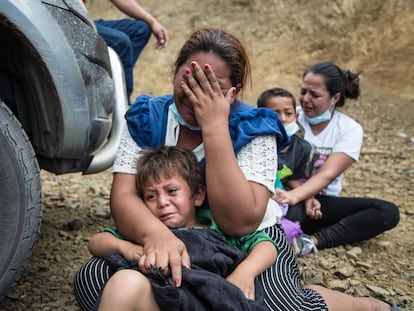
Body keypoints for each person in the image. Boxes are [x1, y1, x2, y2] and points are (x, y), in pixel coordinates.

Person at [73, 28, 401, 311]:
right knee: (95, 282)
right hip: (166, 230)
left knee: (277, 305)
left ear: (233, 92)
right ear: (175, 72)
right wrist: (158, 237)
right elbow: (124, 199)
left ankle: (364, 306)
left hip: (248, 241)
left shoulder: (253, 127)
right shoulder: (148, 117)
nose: (194, 93)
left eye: (210, 85)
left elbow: (240, 222)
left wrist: (215, 125)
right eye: (188, 79)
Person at [89, 145, 277, 310]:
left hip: (215, 301)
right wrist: (130, 249)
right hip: (165, 300)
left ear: (198, 195)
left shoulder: (217, 226)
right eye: (151, 196)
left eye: (172, 191)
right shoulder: (149, 233)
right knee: (124, 282)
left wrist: (246, 272)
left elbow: (266, 247)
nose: (162, 202)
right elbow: (97, 242)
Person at [275, 62, 400, 257]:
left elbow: (327, 175)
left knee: (387, 212)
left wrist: (301, 196)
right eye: (303, 91)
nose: (306, 99)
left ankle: (311, 241)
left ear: (335, 98)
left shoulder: (349, 129)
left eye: (314, 95)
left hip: (319, 206)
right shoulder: (288, 115)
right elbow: (281, 165)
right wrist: (303, 196)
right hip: (283, 196)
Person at [257, 87, 320, 246]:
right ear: (260, 115)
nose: (283, 118)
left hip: (281, 196)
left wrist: (307, 196)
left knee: (298, 210)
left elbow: (293, 177)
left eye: (288, 113)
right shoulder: (255, 143)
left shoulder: (303, 148)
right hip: (258, 196)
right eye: (275, 113)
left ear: (296, 116)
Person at [89, 0, 169, 103]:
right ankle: (124, 105)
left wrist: (152, 22)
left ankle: (114, 89)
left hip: (85, 19)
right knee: (120, 41)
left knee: (141, 29)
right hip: (69, 23)